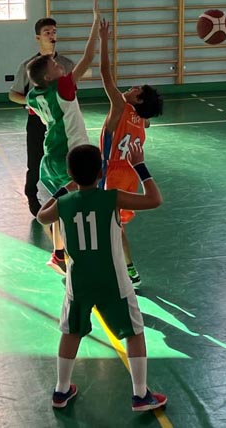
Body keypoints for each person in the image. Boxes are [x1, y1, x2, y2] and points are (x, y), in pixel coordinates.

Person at [36, 143, 167, 411]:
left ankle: (61, 390)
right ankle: (140, 395)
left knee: (71, 332)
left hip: (79, 282)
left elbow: (41, 216)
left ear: (71, 174)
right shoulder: (112, 198)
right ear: (101, 172)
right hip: (113, 281)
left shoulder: (63, 203)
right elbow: (154, 199)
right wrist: (140, 166)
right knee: (134, 332)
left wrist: (64, 189)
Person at [26, 0, 101, 274]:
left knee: (62, 206)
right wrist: (96, 24)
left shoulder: (34, 95)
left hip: (50, 157)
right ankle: (81, 254)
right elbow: (88, 58)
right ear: (49, 77)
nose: (61, 66)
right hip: (72, 156)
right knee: (78, 207)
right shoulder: (62, 87)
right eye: (56, 65)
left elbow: (33, 107)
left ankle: (58, 254)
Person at [97, 18, 164, 288]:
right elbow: (146, 121)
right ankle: (129, 270)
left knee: (107, 226)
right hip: (131, 175)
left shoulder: (120, 105)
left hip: (111, 173)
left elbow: (105, 74)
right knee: (117, 225)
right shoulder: (142, 119)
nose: (132, 87)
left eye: (137, 90)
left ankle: (119, 270)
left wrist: (103, 41)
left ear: (138, 99)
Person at [9, 17, 75, 216]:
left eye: (54, 31)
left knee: (66, 158)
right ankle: (31, 193)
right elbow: (13, 94)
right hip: (38, 120)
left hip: (62, 121)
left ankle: (66, 194)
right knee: (35, 159)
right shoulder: (28, 66)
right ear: (38, 37)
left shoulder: (67, 64)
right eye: (47, 32)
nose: (51, 35)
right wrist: (33, 103)